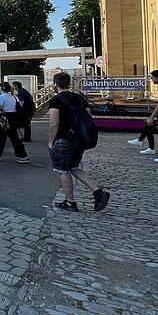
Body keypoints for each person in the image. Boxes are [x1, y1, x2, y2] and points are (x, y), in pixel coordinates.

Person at [48, 72, 110, 212]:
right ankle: (98, 192)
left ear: (55, 84)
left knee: (63, 170)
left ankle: (71, 202)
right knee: (74, 167)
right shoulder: (79, 98)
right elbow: (88, 117)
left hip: (64, 138)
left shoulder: (56, 100)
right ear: (69, 84)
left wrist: (51, 141)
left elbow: (54, 123)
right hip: (79, 139)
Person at [0, 82, 30, 163]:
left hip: (4, 118)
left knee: (1, 139)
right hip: (13, 118)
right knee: (15, 138)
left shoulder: (0, 97)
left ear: (2, 88)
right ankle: (22, 155)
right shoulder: (14, 97)